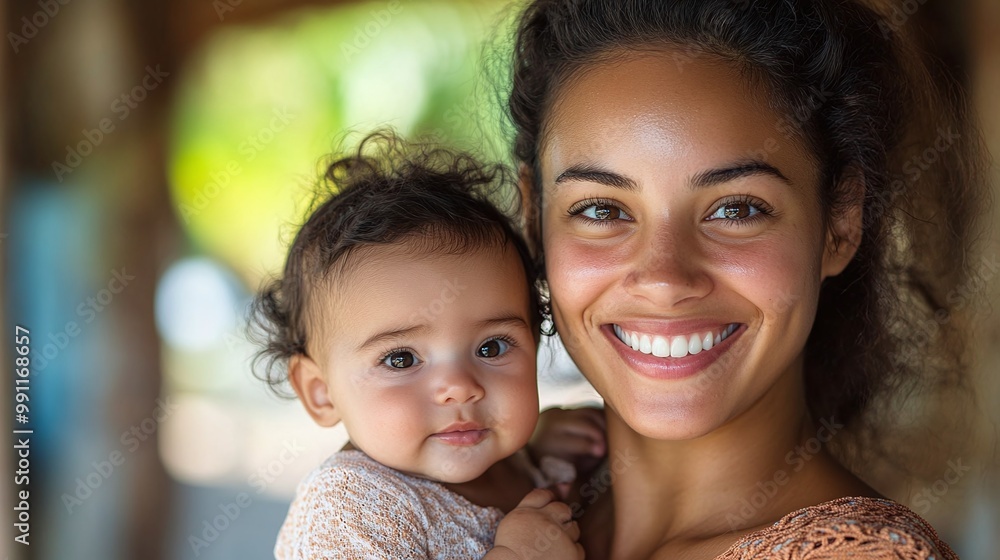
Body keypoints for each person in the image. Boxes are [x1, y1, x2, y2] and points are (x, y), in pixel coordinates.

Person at [505, 0, 989, 558]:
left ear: (840, 221)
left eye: (735, 210)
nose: (664, 279)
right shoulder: (478, 511)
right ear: (534, 220)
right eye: (601, 210)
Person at [251, 132, 603, 559]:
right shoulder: (350, 507)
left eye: (492, 348)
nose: (459, 387)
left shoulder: (519, 464)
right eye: (401, 358)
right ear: (321, 391)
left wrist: (537, 452)